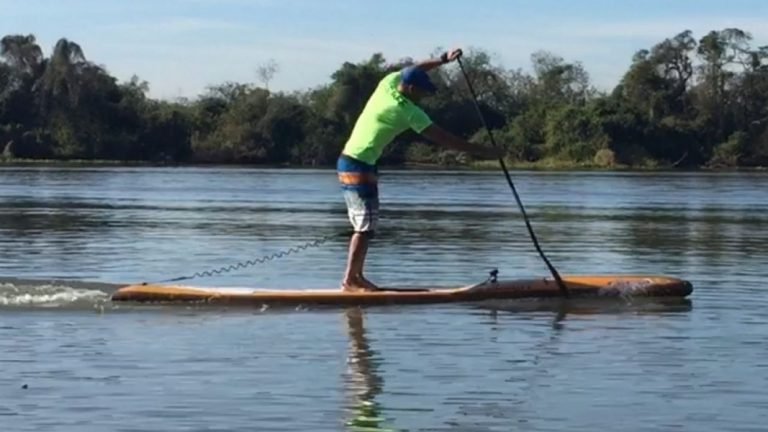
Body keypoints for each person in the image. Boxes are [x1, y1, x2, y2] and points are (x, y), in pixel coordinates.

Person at [336, 48, 502, 292]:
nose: (423, 98)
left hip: (358, 161)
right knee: (364, 227)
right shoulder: (405, 111)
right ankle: (351, 280)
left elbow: (416, 68)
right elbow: (444, 139)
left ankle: (356, 278)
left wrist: (443, 60)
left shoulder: (387, 83)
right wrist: (483, 151)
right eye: (422, 93)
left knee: (367, 226)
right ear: (412, 89)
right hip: (356, 164)